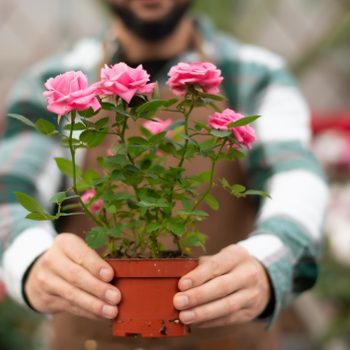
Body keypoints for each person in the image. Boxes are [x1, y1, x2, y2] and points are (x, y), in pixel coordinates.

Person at [0, 0, 329, 349]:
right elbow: (10, 189)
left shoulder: (254, 74)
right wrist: (31, 259)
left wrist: (267, 261)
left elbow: (296, 179)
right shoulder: (54, 79)